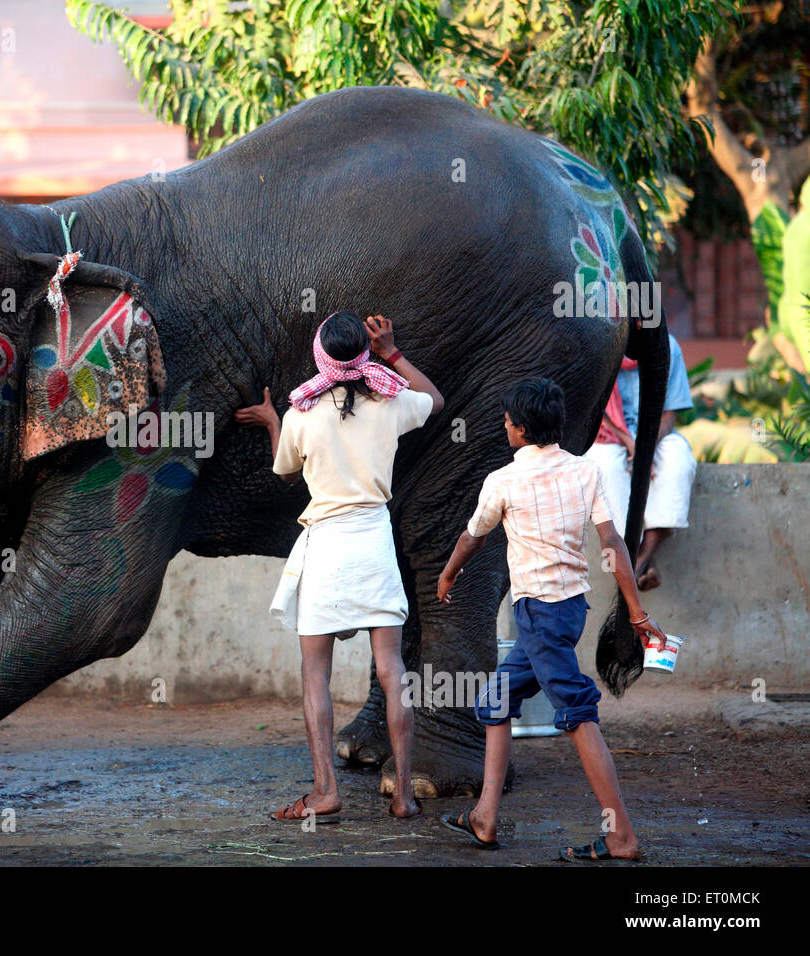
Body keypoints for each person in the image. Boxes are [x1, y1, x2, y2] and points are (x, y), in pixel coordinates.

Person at [436, 377, 667, 861]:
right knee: (498, 697)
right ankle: (485, 815)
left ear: (519, 429)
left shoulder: (501, 482)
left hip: (538, 615)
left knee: (578, 714)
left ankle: (621, 836)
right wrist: (637, 611)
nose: (504, 426)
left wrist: (448, 574)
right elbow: (613, 544)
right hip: (570, 611)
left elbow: (471, 538)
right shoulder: (586, 472)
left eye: (506, 420)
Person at [236, 310, 442, 820]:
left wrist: (271, 423)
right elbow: (435, 400)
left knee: (315, 676)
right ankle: (404, 796)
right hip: (374, 543)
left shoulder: (301, 413)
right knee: (393, 672)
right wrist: (392, 351)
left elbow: (285, 473)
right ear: (364, 357)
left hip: (326, 547)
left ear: (319, 355)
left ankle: (326, 791)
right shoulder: (389, 401)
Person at [584, 334, 696, 590]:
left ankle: (638, 561)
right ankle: (644, 558)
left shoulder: (665, 345)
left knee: (678, 460)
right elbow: (592, 410)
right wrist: (629, 441)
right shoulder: (597, 343)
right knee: (607, 468)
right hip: (608, 434)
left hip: (655, 433)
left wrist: (648, 446)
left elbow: (670, 413)